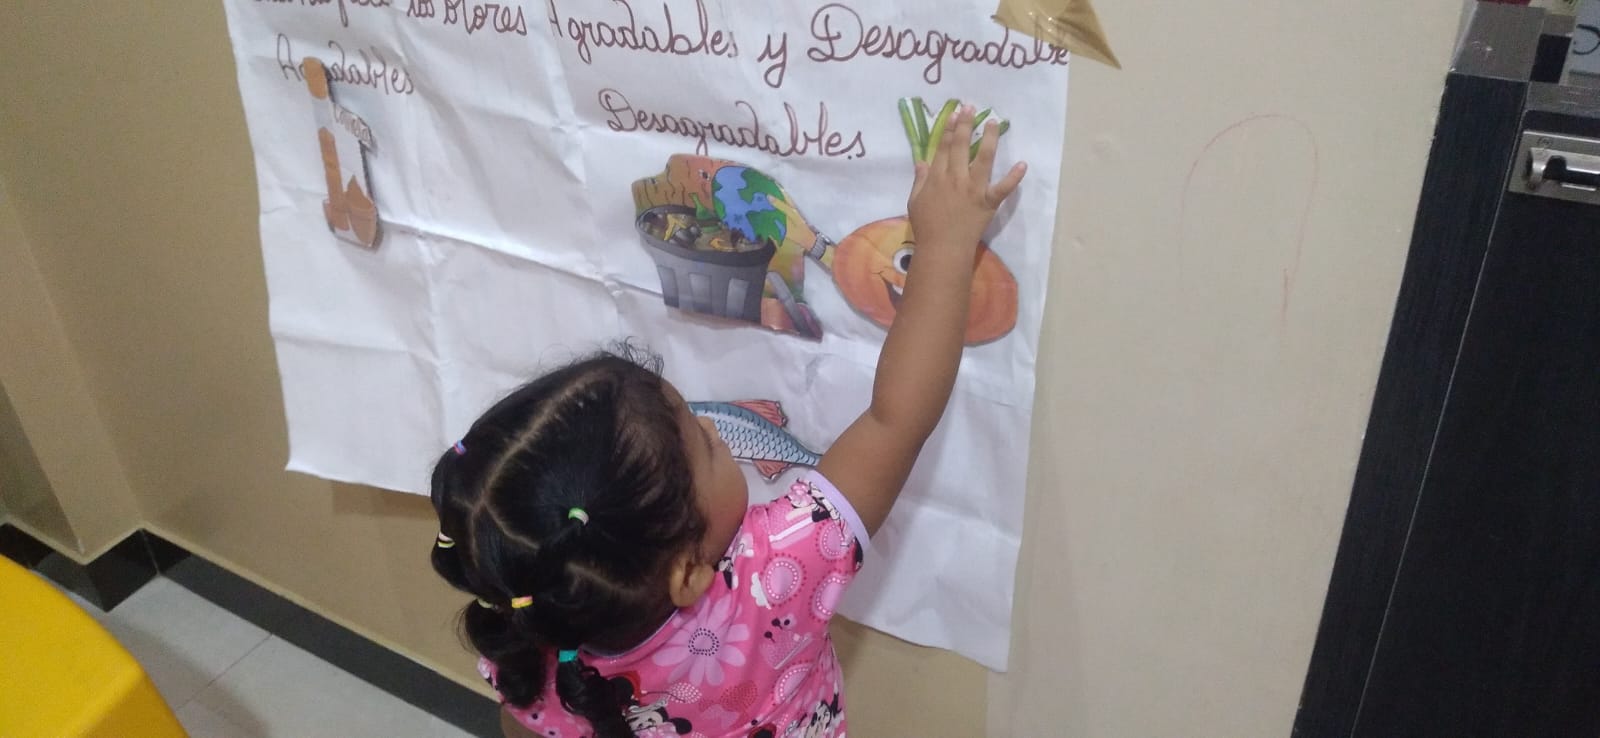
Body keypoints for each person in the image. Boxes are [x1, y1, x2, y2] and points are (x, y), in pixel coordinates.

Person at [429, 104, 1026, 738]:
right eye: (706, 446)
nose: (717, 431)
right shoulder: (775, 575)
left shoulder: (529, 637)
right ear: (688, 574)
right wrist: (945, 247)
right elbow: (896, 421)